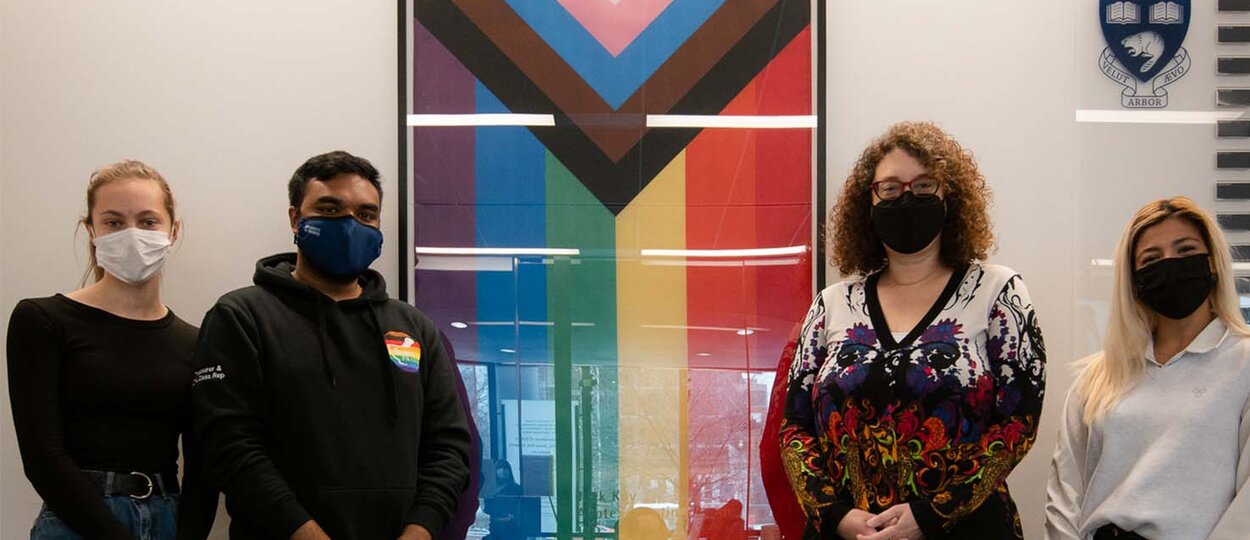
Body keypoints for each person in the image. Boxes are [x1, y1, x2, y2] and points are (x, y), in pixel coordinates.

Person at [779, 122, 1046, 539]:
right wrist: (833, 516)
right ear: (866, 201)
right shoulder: (831, 305)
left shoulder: (998, 292)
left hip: (966, 530)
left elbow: (1019, 421)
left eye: (924, 186)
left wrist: (933, 514)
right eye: (890, 188)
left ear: (949, 197)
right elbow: (794, 428)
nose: (907, 198)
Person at [190, 151, 471, 539]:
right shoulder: (241, 316)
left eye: (366, 214)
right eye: (330, 209)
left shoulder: (413, 328)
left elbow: (449, 448)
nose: (350, 225)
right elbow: (228, 446)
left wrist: (420, 530)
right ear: (295, 219)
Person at [6, 160, 217, 539]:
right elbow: (43, 458)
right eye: (114, 222)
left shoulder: (195, 340)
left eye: (148, 221)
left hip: (166, 517)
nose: (131, 234)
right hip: (77, 521)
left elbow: (203, 467)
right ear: (91, 230)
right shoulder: (42, 319)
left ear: (173, 230)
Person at [1045, 197, 1250, 540]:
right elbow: (1065, 492)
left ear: (1212, 262)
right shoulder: (1099, 376)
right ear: (1135, 279)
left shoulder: (1242, 362)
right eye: (1152, 259)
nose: (1170, 266)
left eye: (1185, 251)